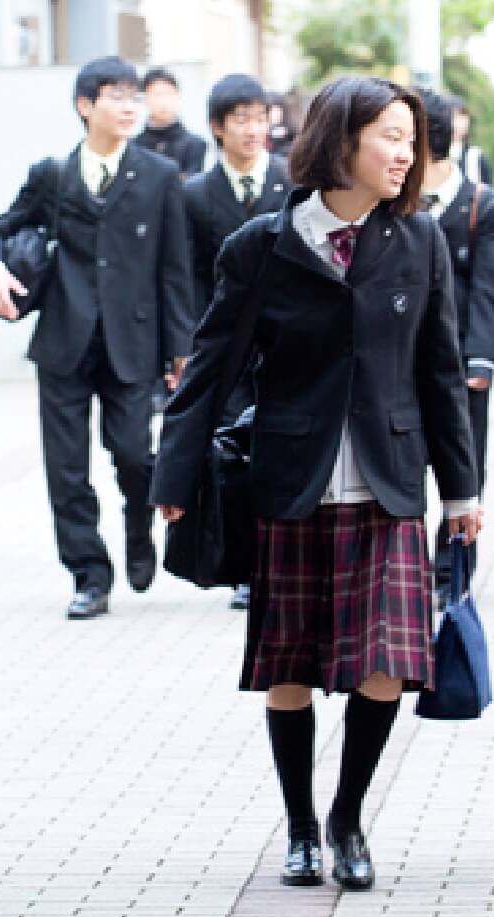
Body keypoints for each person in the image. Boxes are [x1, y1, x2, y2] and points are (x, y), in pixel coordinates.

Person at [152, 77, 481, 895]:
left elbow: (438, 373)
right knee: (288, 669)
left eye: (412, 139)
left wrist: (463, 491)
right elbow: (210, 371)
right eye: (391, 136)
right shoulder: (261, 247)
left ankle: (346, 816)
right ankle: (299, 826)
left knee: (384, 664)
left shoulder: (419, 242)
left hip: (387, 486)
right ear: (342, 139)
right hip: (291, 481)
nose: (406, 153)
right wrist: (173, 476)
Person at [0, 55, 194, 619]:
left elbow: (175, 269)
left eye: (133, 97)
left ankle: (138, 528)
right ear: (85, 106)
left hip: (134, 342)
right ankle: (89, 574)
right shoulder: (53, 174)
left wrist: (181, 351)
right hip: (64, 340)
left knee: (133, 455)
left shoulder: (158, 176)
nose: (128, 107)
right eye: (115, 96)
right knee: (66, 469)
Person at [182, 73, 293, 612]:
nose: (255, 129)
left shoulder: (292, 183)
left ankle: (270, 559)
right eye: (242, 119)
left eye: (261, 117)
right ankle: (246, 563)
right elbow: (186, 278)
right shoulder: (196, 194)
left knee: (276, 450)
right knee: (234, 454)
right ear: (217, 128)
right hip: (226, 351)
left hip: (283, 347)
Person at [418, 90, 494, 602]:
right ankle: (408, 568)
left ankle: (452, 571)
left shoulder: (478, 204)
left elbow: (491, 292)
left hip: (459, 365)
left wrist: (481, 361)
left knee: (464, 473)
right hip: (404, 365)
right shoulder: (392, 204)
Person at [137, 67, 208, 178]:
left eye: (168, 94)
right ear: (145, 98)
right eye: (157, 95)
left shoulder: (195, 144)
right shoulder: (134, 145)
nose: (163, 102)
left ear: (177, 96)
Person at [448, 95, 493, 187]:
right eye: (453, 116)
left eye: (461, 117)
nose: (457, 123)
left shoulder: (476, 156)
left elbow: (488, 192)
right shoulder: (434, 155)